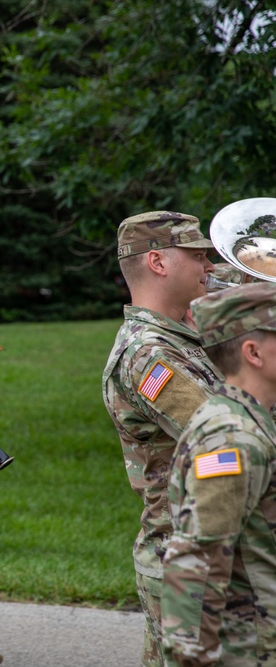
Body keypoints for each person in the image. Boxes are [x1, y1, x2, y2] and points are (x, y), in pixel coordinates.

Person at [102, 210, 221, 666]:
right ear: (157, 262)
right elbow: (228, 435)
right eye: (198, 256)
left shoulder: (185, 336)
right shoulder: (149, 356)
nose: (209, 267)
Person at [160, 281, 276, 665]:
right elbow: (199, 562)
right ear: (253, 352)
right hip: (252, 649)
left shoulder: (249, 420)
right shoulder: (232, 439)